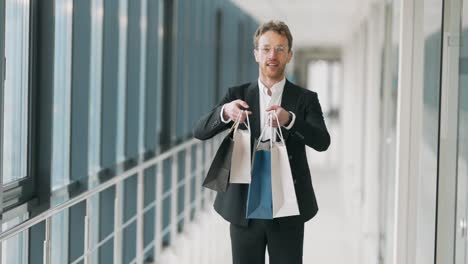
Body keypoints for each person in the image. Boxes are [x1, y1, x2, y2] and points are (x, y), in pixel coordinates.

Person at [193, 20, 330, 264]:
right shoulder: (237, 95)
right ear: (256, 54)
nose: (272, 55)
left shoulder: (305, 99)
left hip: (287, 211)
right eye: (266, 48)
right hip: (244, 210)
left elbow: (322, 141)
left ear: (289, 55)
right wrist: (225, 112)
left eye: (280, 49)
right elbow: (200, 131)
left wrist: (289, 119)